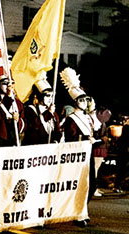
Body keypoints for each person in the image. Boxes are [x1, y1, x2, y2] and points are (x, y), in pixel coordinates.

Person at [60, 67, 96, 225]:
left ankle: (81, 210)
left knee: (92, 185)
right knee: (80, 185)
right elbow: (70, 137)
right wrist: (85, 138)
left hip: (90, 152)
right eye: (81, 100)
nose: (84, 102)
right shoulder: (71, 118)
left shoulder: (87, 117)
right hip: (78, 155)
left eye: (85, 100)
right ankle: (79, 213)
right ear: (75, 102)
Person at [22, 78, 61, 145]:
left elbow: (58, 130)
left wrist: (55, 140)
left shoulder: (53, 112)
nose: (50, 99)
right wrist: (48, 113)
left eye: (52, 96)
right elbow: (35, 125)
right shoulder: (30, 109)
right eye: (48, 96)